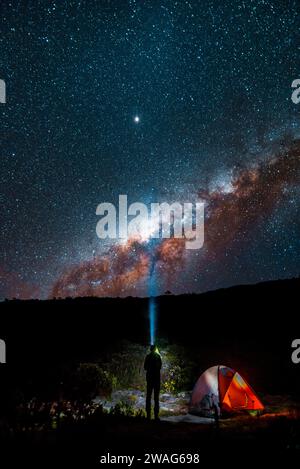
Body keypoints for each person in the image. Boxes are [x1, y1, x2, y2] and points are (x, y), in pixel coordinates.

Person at [144, 344, 162, 420]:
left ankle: (148, 414)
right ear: (155, 349)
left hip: (149, 379)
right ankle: (156, 415)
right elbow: (160, 367)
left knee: (148, 396)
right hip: (156, 379)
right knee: (156, 397)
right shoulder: (158, 357)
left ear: (150, 349)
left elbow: (145, 367)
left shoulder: (147, 357)